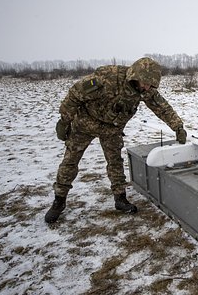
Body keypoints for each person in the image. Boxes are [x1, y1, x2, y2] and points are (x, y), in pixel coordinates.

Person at [44, 57, 187, 224]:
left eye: (151, 84)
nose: (147, 87)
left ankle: (120, 199)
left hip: (112, 129)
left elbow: (162, 107)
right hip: (85, 124)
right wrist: (64, 121)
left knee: (115, 163)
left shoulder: (146, 89)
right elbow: (74, 95)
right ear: (135, 76)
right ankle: (59, 201)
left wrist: (177, 127)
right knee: (70, 161)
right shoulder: (107, 79)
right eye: (145, 83)